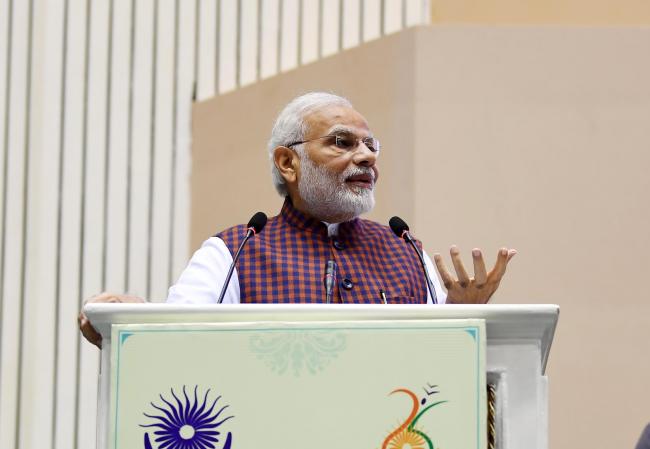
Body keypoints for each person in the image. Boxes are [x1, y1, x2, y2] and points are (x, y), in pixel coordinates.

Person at [78, 92, 516, 347]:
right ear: (288, 163)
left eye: (371, 145)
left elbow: (440, 365)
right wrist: (131, 323)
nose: (366, 156)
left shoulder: (406, 251)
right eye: (342, 142)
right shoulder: (234, 251)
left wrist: (462, 315)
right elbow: (178, 339)